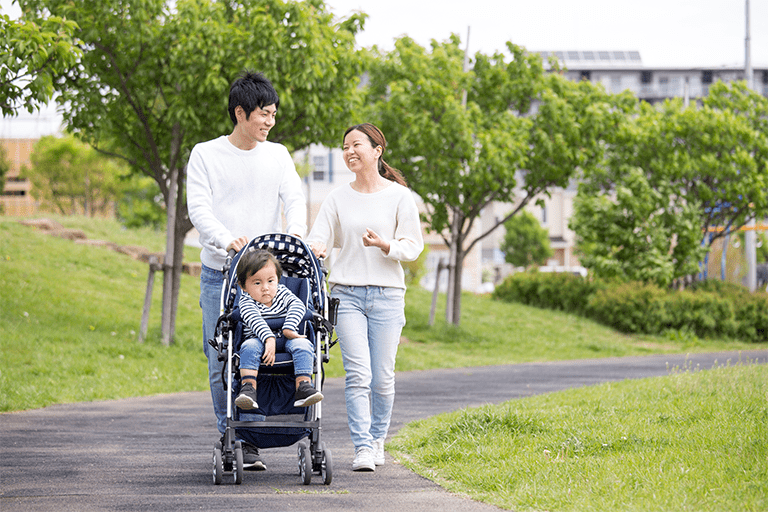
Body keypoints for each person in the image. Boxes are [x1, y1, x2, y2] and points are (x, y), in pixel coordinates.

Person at [186, 71, 306, 471]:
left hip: (266, 279)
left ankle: (259, 436)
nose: (270, 122)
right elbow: (199, 209)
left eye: (273, 114)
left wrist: (297, 236)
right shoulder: (205, 154)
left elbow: (295, 198)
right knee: (222, 356)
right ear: (240, 113)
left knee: (272, 355)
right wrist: (228, 239)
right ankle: (233, 436)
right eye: (264, 114)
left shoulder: (278, 154)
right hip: (221, 273)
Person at [307, 123, 424, 472]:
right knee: (358, 374)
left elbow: (413, 246)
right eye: (344, 147)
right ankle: (361, 447)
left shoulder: (400, 197)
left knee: (383, 376)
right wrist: (317, 247)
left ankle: (377, 440)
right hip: (347, 295)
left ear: (377, 150)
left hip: (388, 295)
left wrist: (385, 245)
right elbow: (320, 238)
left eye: (356, 145)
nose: (349, 152)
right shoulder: (337, 197)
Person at [234, 248, 323, 410]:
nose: (265, 288)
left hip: (288, 337)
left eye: (270, 281)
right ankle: (248, 388)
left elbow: (298, 306)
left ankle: (303, 386)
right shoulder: (246, 302)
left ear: (278, 280)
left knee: (304, 345)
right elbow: (255, 321)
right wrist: (269, 338)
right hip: (258, 340)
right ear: (243, 286)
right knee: (248, 347)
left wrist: (289, 328)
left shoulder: (282, 292)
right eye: (257, 283)